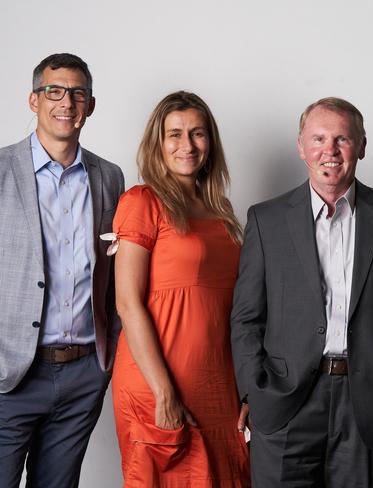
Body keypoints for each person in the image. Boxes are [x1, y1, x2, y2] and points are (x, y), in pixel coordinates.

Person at [230, 97, 373, 487]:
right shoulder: (265, 220)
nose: (329, 151)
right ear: (301, 147)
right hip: (286, 401)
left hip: (367, 402)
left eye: (342, 139)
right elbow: (246, 317)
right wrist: (256, 391)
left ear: (362, 146)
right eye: (318, 139)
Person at [111, 91, 250, 487]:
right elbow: (127, 302)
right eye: (174, 134)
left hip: (218, 382)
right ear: (158, 142)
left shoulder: (220, 209)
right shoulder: (143, 201)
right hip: (159, 381)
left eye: (197, 134)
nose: (187, 145)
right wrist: (163, 392)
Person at [0, 53, 124, 487]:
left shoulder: (109, 177)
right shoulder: (0, 170)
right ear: (34, 100)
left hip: (82, 374)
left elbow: (113, 270)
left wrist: (106, 363)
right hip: (9, 376)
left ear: (90, 106)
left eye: (78, 93)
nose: (66, 102)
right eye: (54, 91)